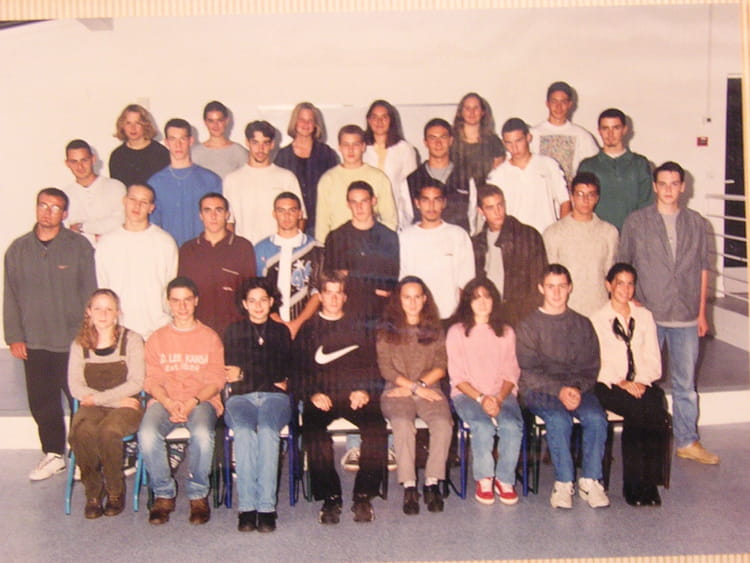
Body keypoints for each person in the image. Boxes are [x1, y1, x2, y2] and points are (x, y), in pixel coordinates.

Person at [618, 161, 719, 465]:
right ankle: (642, 440)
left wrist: (702, 314)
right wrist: (631, 305)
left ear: (683, 187)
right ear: (654, 186)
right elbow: (623, 265)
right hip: (649, 315)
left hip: (686, 316)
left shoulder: (698, 223)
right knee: (643, 380)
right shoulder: (636, 222)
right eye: (662, 184)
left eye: (674, 184)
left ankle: (688, 441)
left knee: (685, 385)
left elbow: (704, 269)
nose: (668, 190)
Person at [4, 188, 96, 480]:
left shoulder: (79, 246)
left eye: (55, 207)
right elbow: (10, 295)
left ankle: (83, 455)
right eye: (43, 205)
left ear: (64, 213)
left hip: (72, 341)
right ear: (36, 208)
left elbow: (90, 292)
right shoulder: (18, 249)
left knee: (79, 400)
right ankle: (54, 454)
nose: (48, 212)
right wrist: (14, 336)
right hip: (34, 341)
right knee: (42, 402)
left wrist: (89, 336)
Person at [516, 264, 609, 509]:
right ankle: (564, 482)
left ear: (570, 288)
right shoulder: (528, 325)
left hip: (577, 389)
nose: (556, 293)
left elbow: (591, 367)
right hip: (540, 390)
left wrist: (575, 388)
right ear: (541, 289)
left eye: (561, 286)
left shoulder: (582, 324)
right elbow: (528, 371)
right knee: (559, 419)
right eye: (551, 287)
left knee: (596, 418)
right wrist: (559, 390)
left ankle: (590, 481)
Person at [296, 272, 387, 524]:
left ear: (345, 297)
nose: (334, 299)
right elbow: (298, 371)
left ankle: (363, 496)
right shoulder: (308, 329)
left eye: (339, 293)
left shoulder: (359, 327)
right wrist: (312, 394)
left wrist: (364, 390)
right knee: (314, 431)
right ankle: (330, 497)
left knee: (376, 427)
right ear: (320, 296)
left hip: (353, 396)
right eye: (329, 293)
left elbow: (374, 367)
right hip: (322, 397)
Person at [139, 277, 225, 525]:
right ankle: (163, 494)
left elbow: (216, 380)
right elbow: (152, 379)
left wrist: (192, 402)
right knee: (147, 434)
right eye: (176, 301)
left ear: (196, 301)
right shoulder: (157, 338)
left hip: (201, 400)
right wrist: (167, 402)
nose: (182, 306)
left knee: (202, 433)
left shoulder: (210, 337)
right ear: (168, 303)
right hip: (165, 400)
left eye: (187, 300)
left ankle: (198, 494)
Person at [591, 263, 671, 506]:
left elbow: (653, 358)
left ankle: (650, 483)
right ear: (609, 285)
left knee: (655, 405)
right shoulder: (597, 319)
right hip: (609, 384)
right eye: (620, 283)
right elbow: (597, 362)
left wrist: (640, 382)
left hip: (641, 382)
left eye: (630, 284)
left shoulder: (644, 317)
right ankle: (633, 485)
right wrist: (623, 382)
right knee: (637, 410)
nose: (625, 289)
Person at [377, 276, 453, 515]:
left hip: (430, 388)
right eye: (407, 297)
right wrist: (414, 388)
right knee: (402, 423)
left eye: (417, 297)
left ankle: (432, 482)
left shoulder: (435, 329)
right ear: (398, 300)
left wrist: (419, 387)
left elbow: (441, 365)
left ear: (424, 299)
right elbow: (386, 369)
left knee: (443, 424)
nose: (412, 302)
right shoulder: (386, 330)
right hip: (395, 390)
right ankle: (409, 485)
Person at [223, 277, 293, 533]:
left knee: (267, 430)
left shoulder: (281, 332)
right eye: (252, 301)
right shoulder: (233, 331)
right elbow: (232, 373)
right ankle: (247, 508)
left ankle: (266, 508)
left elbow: (282, 370)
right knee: (243, 431)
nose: (258, 305)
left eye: (263, 300)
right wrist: (261, 373)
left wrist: (245, 372)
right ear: (244, 304)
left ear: (271, 301)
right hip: (240, 399)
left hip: (275, 399)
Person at [67, 289, 144, 518]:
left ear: (117, 312)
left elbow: (137, 382)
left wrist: (101, 398)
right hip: (96, 405)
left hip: (127, 407)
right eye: (98, 308)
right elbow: (76, 387)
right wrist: (110, 400)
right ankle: (93, 492)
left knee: (109, 431)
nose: (103, 314)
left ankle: (114, 491)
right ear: (89, 312)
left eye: (109, 309)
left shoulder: (132, 340)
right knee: (81, 431)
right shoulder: (79, 344)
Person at [447, 278, 523, 506]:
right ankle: (485, 478)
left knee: (512, 426)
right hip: (468, 395)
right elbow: (457, 377)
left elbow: (511, 372)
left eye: (487, 297)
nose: (482, 302)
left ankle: (505, 479)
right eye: (476, 297)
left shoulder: (506, 332)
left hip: (502, 394)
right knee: (482, 425)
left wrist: (498, 398)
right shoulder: (457, 332)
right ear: (468, 302)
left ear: (494, 301)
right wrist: (481, 398)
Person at [95, 183, 178, 339]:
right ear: (124, 201)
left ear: (151, 208)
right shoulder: (106, 243)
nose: (137, 206)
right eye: (133, 199)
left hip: (157, 330)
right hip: (120, 331)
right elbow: (103, 287)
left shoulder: (165, 242)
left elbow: (170, 286)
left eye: (144, 202)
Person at [324, 180, 399, 331]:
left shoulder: (388, 237)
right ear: (348, 204)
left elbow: (388, 284)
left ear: (373, 201)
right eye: (354, 202)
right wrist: (372, 285)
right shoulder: (336, 237)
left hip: (380, 315)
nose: (359, 207)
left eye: (363, 201)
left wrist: (350, 275)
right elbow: (331, 280)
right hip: (346, 314)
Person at [178, 192, 256, 337]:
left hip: (234, 331)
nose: (213, 216)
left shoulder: (243, 247)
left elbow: (250, 291)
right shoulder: (187, 250)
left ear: (227, 215)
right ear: (201, 215)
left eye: (218, 210)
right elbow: (182, 293)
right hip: (197, 330)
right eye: (207, 210)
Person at [543, 172, 619, 316]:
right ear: (572, 197)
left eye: (590, 195)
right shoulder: (553, 233)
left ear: (597, 198)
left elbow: (610, 276)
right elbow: (551, 278)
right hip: (566, 310)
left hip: (599, 310)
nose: (585, 200)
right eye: (580, 194)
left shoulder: (609, 232)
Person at [472, 184, 547, 327]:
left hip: (521, 315)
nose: (497, 212)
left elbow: (539, 281)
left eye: (500, 205)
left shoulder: (528, 235)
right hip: (490, 313)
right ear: (481, 211)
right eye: (490, 207)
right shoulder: (477, 242)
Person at [399, 183, 475, 320]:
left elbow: (466, 282)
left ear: (444, 203)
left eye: (437, 200)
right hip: (417, 317)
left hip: (449, 316)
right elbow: (402, 281)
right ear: (417, 203)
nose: (431, 206)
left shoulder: (458, 235)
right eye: (425, 200)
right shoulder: (405, 237)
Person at [223, 120, 306, 244]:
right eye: (255, 142)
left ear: (272, 144)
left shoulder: (286, 177)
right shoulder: (232, 180)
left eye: (265, 143)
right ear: (247, 143)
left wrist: (293, 247)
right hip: (245, 250)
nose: (260, 149)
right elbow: (229, 222)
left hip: (278, 249)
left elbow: (300, 218)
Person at [254, 192, 323, 338]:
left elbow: (318, 292)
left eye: (292, 210)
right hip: (271, 325)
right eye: (281, 210)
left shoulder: (316, 249)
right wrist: (279, 323)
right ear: (274, 214)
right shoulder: (260, 250)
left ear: (300, 214)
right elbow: (259, 291)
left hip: (307, 327)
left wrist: (296, 324)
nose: (286, 216)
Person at [487, 118, 570, 235]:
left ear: (528, 138)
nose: (514, 148)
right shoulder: (497, 175)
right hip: (515, 238)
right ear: (503, 143)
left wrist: (561, 233)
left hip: (547, 236)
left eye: (518, 141)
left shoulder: (548, 165)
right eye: (509, 143)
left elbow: (564, 201)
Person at [147, 118, 222, 246]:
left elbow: (220, 223)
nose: (178, 145)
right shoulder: (155, 183)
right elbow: (153, 226)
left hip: (203, 251)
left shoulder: (210, 180)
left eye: (182, 139)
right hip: (169, 250)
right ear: (166, 142)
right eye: (173, 139)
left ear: (191, 141)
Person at [315, 124, 398, 241]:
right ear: (339, 147)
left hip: (370, 244)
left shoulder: (378, 177)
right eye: (346, 145)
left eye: (355, 144)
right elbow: (322, 225)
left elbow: (390, 220)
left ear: (363, 147)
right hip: (338, 245)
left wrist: (379, 244)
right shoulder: (328, 180)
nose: (351, 149)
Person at [578, 108, 654, 230]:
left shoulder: (639, 164)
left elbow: (647, 205)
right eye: (605, 128)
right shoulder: (588, 166)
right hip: (597, 234)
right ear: (599, 131)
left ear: (624, 130)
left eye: (616, 128)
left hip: (632, 234)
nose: (610, 134)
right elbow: (581, 207)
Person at [275, 101, 339, 236]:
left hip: (321, 222)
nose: (306, 124)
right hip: (291, 223)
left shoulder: (327, 154)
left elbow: (334, 190)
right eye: (301, 119)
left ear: (316, 124)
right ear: (295, 122)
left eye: (310, 120)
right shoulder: (282, 155)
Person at [407, 118, 475, 233]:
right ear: (425, 142)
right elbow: (406, 222)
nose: (438, 143)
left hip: (456, 242)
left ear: (451, 141)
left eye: (443, 137)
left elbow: (473, 221)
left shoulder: (466, 179)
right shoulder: (411, 181)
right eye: (432, 138)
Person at [530, 81, 599, 186]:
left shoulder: (582, 136)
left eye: (563, 102)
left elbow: (594, 169)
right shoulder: (533, 134)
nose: (558, 107)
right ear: (547, 103)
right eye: (554, 102)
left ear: (570, 104)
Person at [363, 99, 418, 228]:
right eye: (374, 117)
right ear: (369, 120)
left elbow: (410, 188)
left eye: (384, 117)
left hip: (396, 216)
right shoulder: (361, 147)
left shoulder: (404, 149)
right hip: (365, 215)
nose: (379, 122)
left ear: (391, 120)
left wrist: (406, 219)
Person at [63, 139, 126, 246]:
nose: (80, 166)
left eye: (84, 160)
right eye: (74, 162)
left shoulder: (115, 186)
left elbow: (121, 220)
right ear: (67, 163)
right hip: (80, 254)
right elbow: (66, 232)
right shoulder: (65, 195)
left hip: (114, 250)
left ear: (93, 159)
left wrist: (82, 227)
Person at [450, 92, 505, 190]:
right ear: (461, 112)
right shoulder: (450, 139)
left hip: (484, 195)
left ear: (483, 112)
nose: (472, 112)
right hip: (454, 195)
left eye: (476, 108)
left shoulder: (494, 142)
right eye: (467, 108)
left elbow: (498, 175)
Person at [108, 104, 169, 188]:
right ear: (122, 126)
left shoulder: (160, 153)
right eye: (128, 123)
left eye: (138, 123)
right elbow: (117, 189)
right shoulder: (117, 156)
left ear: (145, 125)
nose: (133, 128)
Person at [191, 100, 248, 178]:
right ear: (205, 122)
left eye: (220, 120)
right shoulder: (195, 153)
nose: (215, 125)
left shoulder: (239, 152)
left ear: (226, 121)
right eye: (211, 121)